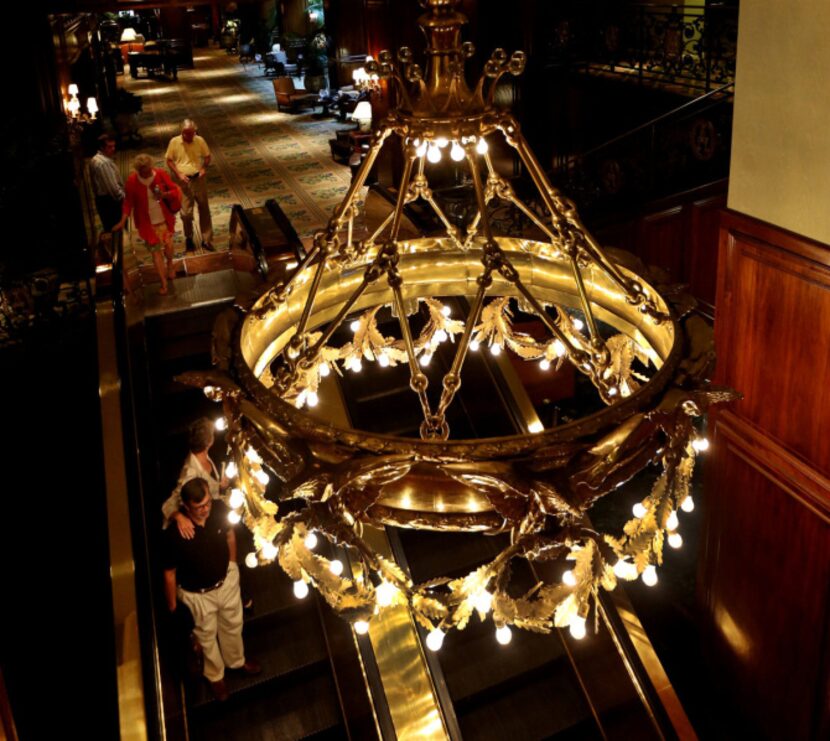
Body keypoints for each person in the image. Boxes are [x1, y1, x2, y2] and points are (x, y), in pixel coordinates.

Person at [163, 478, 260, 701]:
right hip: (197, 595)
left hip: (225, 583)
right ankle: (215, 676)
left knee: (233, 625)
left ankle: (236, 661)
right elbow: (169, 573)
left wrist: (233, 566)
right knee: (206, 637)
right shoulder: (174, 535)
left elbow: (229, 535)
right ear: (187, 506)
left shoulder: (219, 510)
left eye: (207, 502)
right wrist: (173, 608)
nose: (206, 509)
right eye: (199, 506)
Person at [114, 154, 181, 295]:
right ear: (138, 171)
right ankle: (163, 282)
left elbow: (175, 191)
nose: (148, 174)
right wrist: (122, 221)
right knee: (156, 254)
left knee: (168, 247)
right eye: (144, 173)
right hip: (147, 225)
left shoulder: (161, 174)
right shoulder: (132, 181)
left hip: (164, 220)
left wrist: (164, 195)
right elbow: (128, 203)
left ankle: (170, 263)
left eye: (149, 170)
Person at [162, 417, 229, 536]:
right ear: (210, 442)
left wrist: (221, 488)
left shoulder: (206, 456)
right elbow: (169, 504)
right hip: (203, 528)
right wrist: (179, 517)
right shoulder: (190, 473)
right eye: (212, 434)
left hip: (217, 513)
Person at [165, 119, 215, 252]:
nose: (189, 136)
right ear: (181, 132)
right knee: (186, 213)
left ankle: (206, 239)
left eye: (192, 133)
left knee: (204, 208)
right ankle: (189, 238)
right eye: (186, 134)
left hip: (198, 180)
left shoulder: (200, 140)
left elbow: (207, 156)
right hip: (183, 182)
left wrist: (204, 168)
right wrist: (179, 174)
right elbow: (169, 160)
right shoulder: (174, 142)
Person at [89, 134, 125, 232]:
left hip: (103, 201)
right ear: (101, 147)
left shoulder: (96, 158)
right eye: (109, 147)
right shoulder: (104, 163)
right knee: (116, 230)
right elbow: (113, 189)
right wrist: (124, 199)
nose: (113, 149)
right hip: (110, 202)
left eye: (114, 146)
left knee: (110, 229)